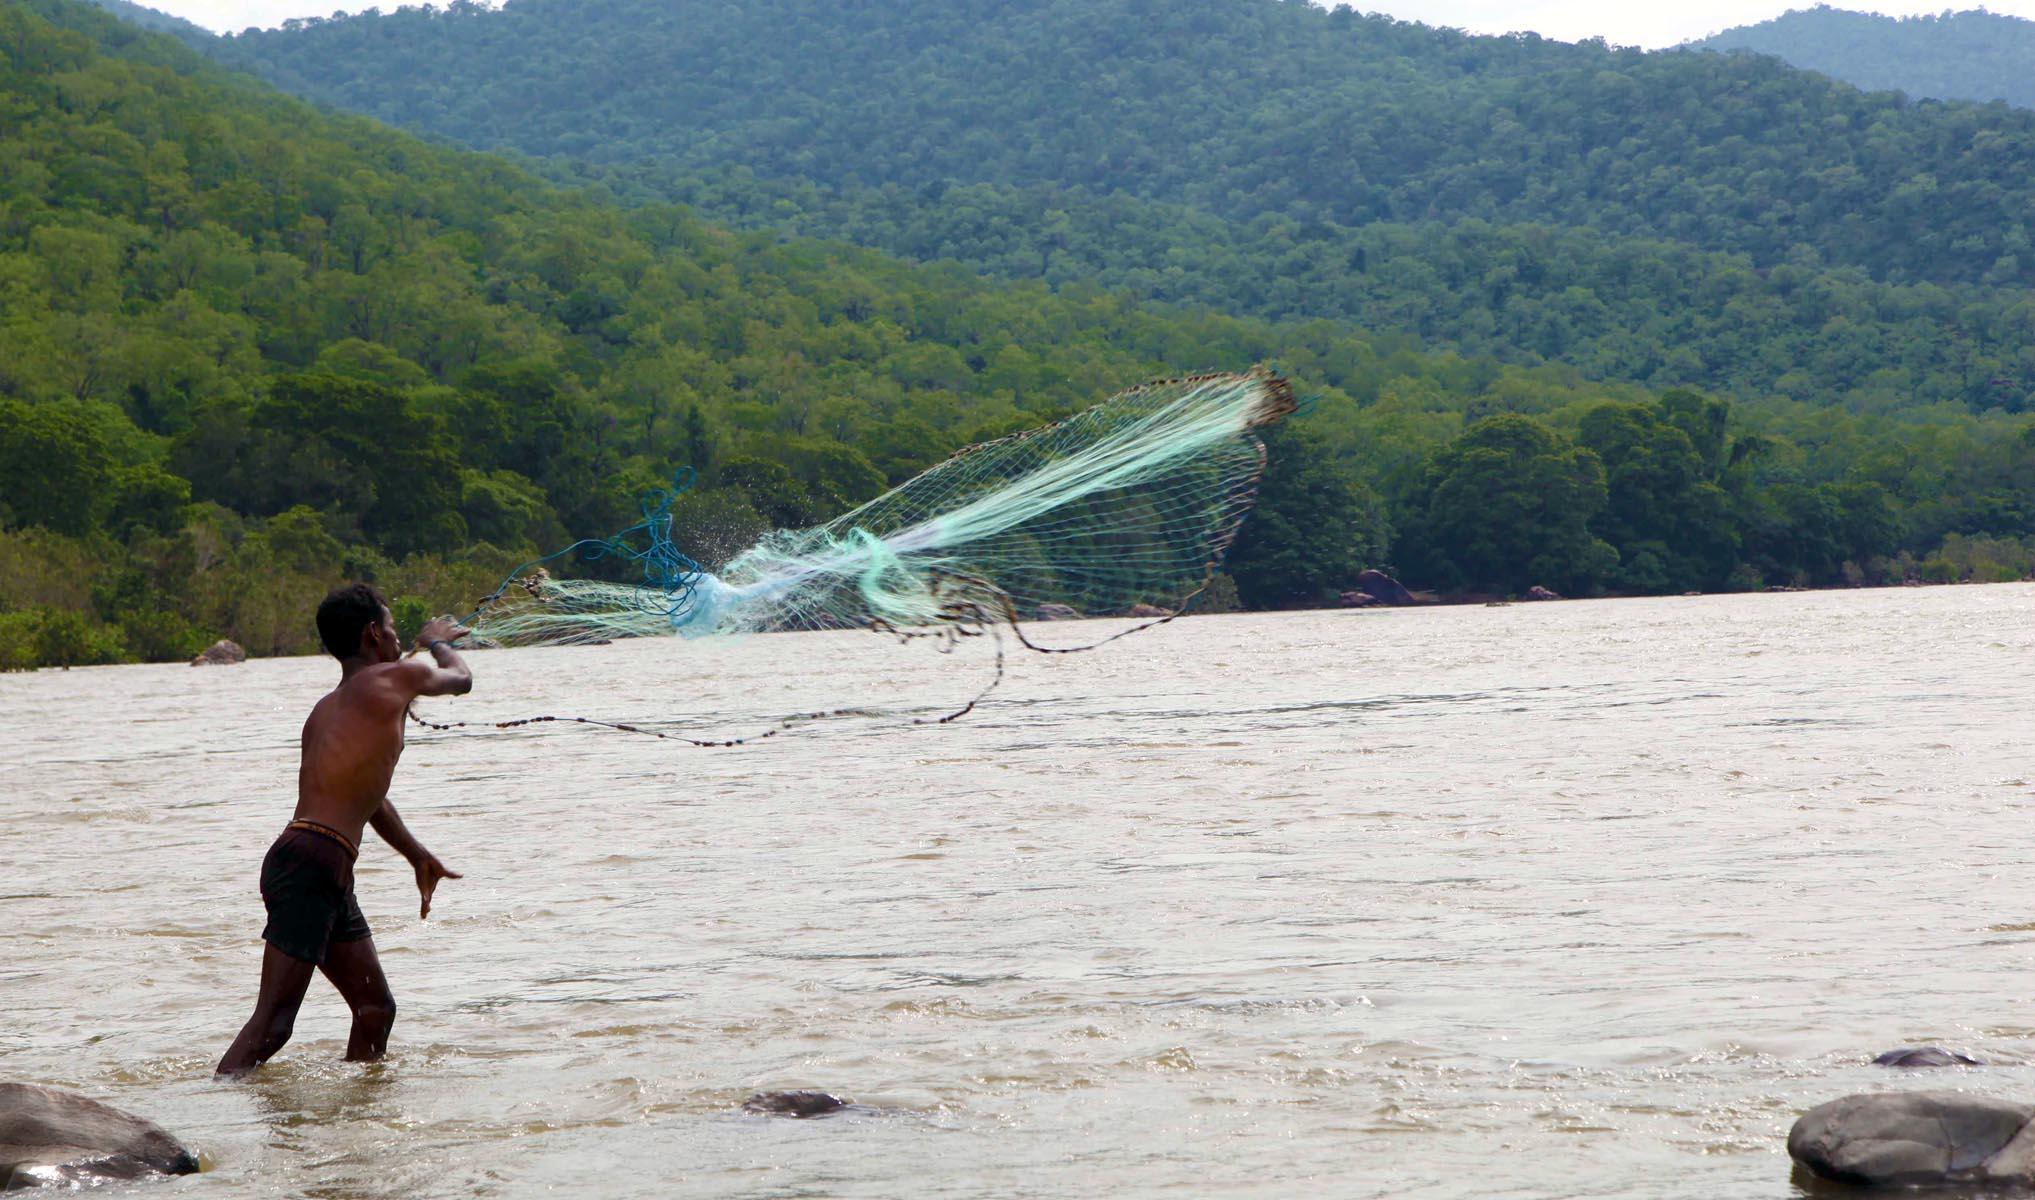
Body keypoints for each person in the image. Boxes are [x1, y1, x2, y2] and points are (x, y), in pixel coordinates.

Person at [216, 583, 471, 1076]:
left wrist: (418, 856)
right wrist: (439, 640)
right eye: (394, 631)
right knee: (273, 1024)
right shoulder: (399, 676)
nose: (399, 641)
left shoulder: (327, 709)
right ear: (373, 634)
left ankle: (355, 1115)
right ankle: (207, 1111)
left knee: (376, 1009)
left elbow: (368, 800)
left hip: (314, 862)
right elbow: (459, 680)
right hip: (314, 863)